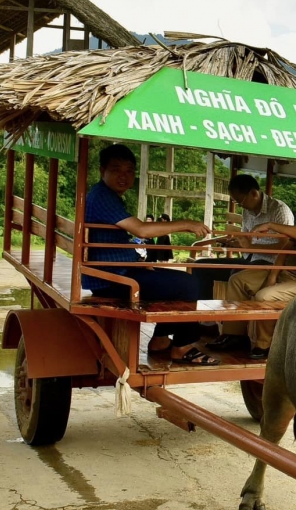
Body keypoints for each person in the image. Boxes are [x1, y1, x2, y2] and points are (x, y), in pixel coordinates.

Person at [84, 143, 219, 366]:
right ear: (102, 171)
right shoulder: (103, 197)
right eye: (116, 169)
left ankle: (160, 340)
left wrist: (138, 262)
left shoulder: (106, 195)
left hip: (113, 270)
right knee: (188, 285)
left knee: (175, 282)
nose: (123, 176)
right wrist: (186, 224)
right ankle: (182, 347)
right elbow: (142, 230)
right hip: (110, 278)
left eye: (129, 171)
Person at [209, 176, 296, 360]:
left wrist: (271, 225)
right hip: (285, 272)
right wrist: (273, 275)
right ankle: (234, 335)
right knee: (238, 280)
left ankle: (265, 346)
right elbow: (287, 247)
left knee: (264, 296)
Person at [189, 175, 295, 298]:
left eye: (240, 201)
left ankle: (231, 312)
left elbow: (285, 246)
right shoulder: (247, 210)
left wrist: (251, 246)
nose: (241, 205)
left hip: (269, 264)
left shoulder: (279, 210)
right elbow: (246, 238)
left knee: (237, 273)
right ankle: (203, 309)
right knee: (201, 266)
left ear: (254, 193)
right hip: (249, 260)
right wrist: (235, 242)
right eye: (236, 202)